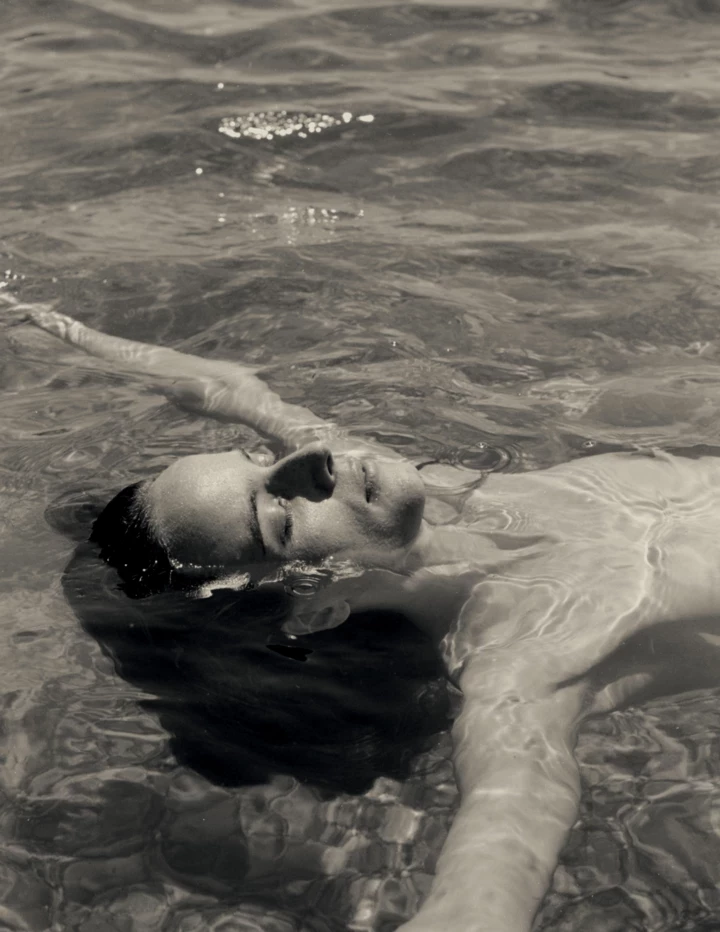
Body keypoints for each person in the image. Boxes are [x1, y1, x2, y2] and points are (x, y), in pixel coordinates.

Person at [18, 299, 720, 932]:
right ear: (319, 609)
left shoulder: (386, 487)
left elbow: (227, 388)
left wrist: (49, 321)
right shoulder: (523, 665)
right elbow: (497, 861)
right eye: (280, 519)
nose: (310, 459)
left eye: (260, 457)